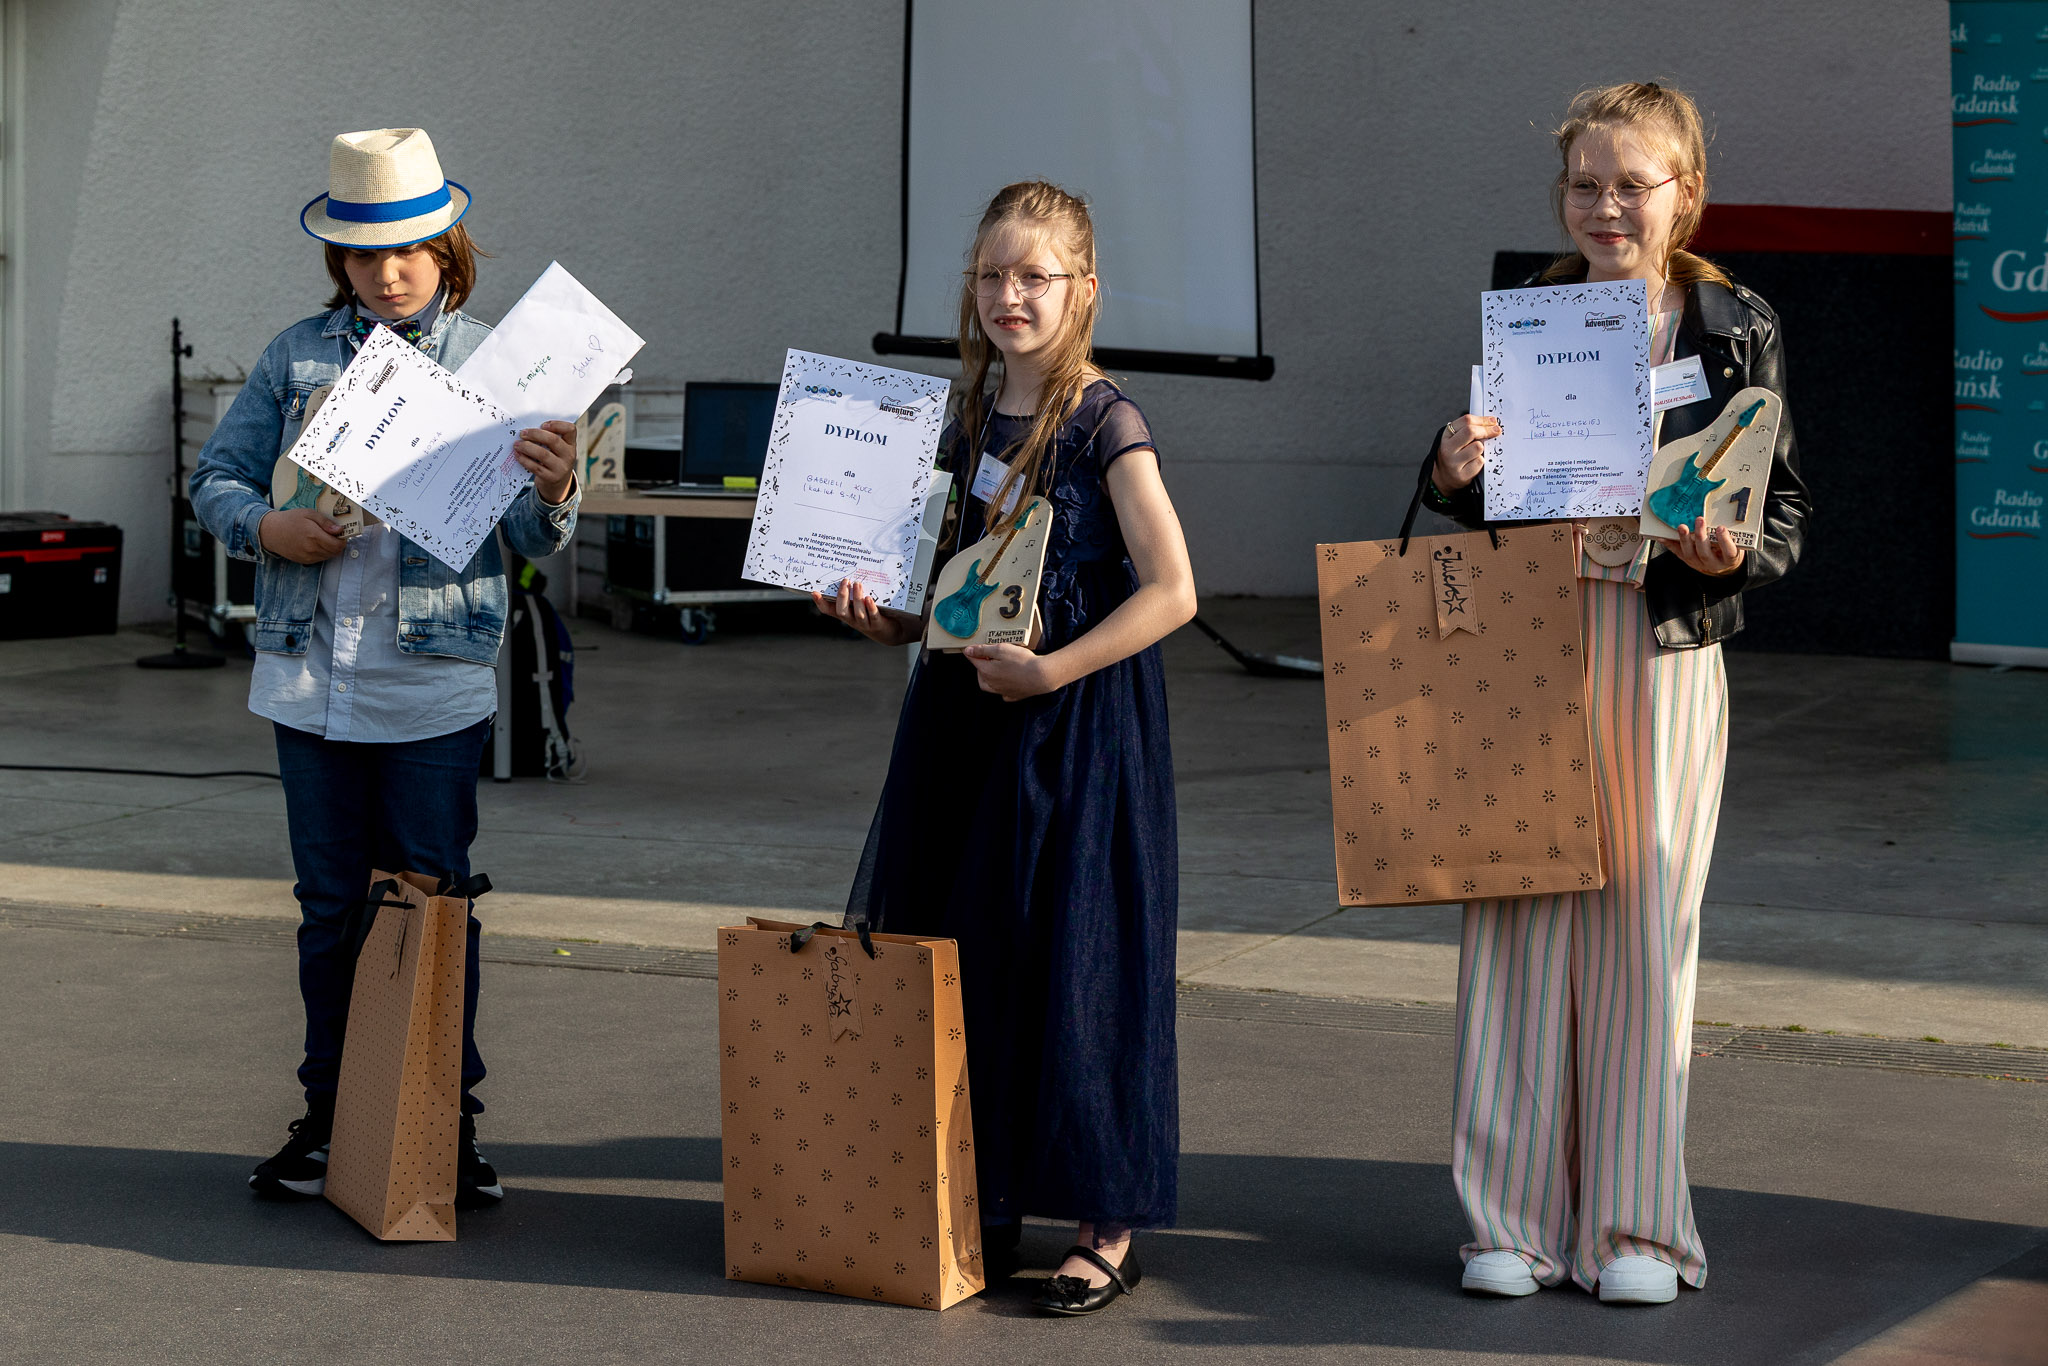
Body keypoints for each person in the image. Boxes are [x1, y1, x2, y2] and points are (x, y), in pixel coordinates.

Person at [1422, 84, 1809, 1305]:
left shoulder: (1735, 323)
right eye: (1583, 184)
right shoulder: (1534, 310)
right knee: (1516, 919)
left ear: (1682, 192)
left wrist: (1731, 550)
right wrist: (1450, 470)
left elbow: (1782, 507)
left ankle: (1636, 1230)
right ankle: (1512, 1224)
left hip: (1664, 646)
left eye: (1629, 185)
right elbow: (1487, 496)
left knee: (1645, 935)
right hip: (1531, 645)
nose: (1604, 207)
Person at [815, 181, 1196, 1317]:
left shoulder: (1104, 422)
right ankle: (977, 1188)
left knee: (1076, 953)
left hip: (1073, 729)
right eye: (991, 274)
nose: (1009, 295)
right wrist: (871, 610)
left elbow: (1174, 590)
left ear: (1082, 287)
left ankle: (1104, 1221)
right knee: (964, 943)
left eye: (1035, 275)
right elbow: (932, 596)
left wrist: (1052, 671)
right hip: (962, 725)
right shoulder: (963, 423)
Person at [189, 128, 581, 1208]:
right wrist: (272, 528)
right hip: (309, 674)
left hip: (433, 682)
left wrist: (555, 489)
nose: (389, 271)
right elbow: (213, 479)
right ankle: (329, 1118)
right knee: (329, 907)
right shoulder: (296, 356)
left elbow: (535, 544)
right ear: (340, 263)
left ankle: (438, 1123)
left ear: (446, 245)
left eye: (409, 248)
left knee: (432, 902)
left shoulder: (501, 363)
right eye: (365, 254)